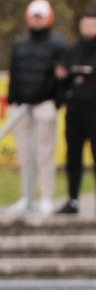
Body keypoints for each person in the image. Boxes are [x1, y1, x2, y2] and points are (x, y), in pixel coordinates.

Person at [6, 0, 69, 215]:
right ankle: (26, 197)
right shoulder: (20, 44)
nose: (37, 20)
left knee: (44, 154)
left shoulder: (59, 44)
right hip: (22, 106)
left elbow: (64, 77)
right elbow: (14, 73)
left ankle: (46, 197)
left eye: (40, 16)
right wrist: (12, 98)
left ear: (48, 18)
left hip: (45, 104)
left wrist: (58, 100)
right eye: (34, 16)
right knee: (25, 155)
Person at [56, 11, 96, 214]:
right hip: (75, 111)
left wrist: (80, 71)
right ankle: (73, 199)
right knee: (73, 157)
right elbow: (63, 75)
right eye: (85, 25)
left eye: (92, 25)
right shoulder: (73, 50)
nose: (88, 29)